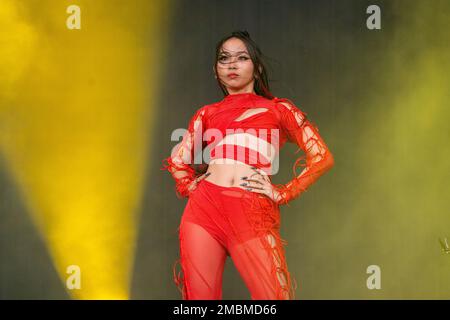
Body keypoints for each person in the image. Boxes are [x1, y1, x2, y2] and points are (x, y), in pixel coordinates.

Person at [162, 30, 334, 300]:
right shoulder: (207, 114)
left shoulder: (279, 110)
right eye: (224, 59)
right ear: (215, 70)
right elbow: (178, 161)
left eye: (241, 57)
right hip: (203, 213)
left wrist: (284, 192)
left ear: (257, 68)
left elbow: (322, 156)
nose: (231, 64)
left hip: (251, 211)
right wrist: (191, 185)